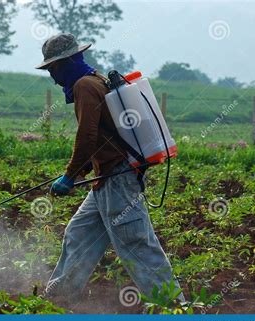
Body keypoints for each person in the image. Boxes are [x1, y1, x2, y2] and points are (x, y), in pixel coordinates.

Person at [35, 33, 184, 302]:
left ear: (66, 62)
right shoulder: (94, 79)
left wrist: (70, 175)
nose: (53, 77)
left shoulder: (83, 86)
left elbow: (88, 136)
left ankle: (175, 308)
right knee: (79, 235)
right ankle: (57, 301)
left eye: (53, 68)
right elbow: (103, 136)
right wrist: (80, 172)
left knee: (136, 244)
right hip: (107, 178)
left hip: (117, 179)